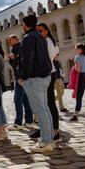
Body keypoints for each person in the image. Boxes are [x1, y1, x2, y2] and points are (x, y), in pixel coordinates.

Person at [20, 15, 54, 153]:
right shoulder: (40, 36)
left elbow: (28, 59)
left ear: (24, 24)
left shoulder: (28, 38)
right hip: (45, 75)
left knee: (41, 109)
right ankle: (50, 139)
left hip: (35, 77)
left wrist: (23, 76)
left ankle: (46, 141)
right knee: (45, 108)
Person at [35, 23, 61, 142]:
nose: (38, 33)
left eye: (40, 31)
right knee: (45, 103)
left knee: (49, 103)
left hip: (48, 73)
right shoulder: (44, 41)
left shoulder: (48, 42)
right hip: (46, 73)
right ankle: (47, 129)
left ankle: (55, 131)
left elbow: (47, 59)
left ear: (46, 31)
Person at [7, 35, 33, 131]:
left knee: (17, 100)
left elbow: (17, 64)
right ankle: (29, 121)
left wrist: (19, 77)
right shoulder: (20, 47)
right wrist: (11, 59)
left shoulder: (16, 48)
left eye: (11, 40)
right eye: (9, 40)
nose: (9, 41)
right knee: (25, 99)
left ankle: (18, 122)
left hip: (20, 78)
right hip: (24, 76)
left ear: (16, 39)